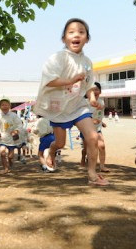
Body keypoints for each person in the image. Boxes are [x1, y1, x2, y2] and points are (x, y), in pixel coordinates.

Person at [33, 18, 108, 186]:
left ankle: (92, 174)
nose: (76, 35)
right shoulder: (57, 58)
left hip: (78, 107)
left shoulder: (87, 62)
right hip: (59, 108)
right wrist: (71, 80)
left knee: (93, 136)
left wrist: (93, 98)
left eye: (81, 32)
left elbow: (88, 85)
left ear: (87, 39)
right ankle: (52, 151)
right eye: (71, 32)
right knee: (60, 143)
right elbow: (48, 80)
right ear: (64, 38)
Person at [80, 82, 110, 172]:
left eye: (96, 89)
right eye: (92, 89)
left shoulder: (101, 102)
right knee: (87, 148)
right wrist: (91, 121)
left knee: (102, 146)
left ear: (100, 91)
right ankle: (83, 155)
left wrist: (102, 122)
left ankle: (102, 166)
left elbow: (99, 115)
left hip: (97, 128)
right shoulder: (85, 103)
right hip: (86, 129)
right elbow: (82, 116)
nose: (94, 91)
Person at [0, 97, 22, 174]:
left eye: (6, 105)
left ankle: (10, 162)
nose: (4, 106)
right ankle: (5, 168)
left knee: (10, 156)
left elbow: (19, 124)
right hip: (2, 138)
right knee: (2, 153)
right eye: (2, 105)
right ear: (0, 106)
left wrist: (16, 131)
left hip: (11, 138)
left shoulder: (14, 115)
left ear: (9, 106)